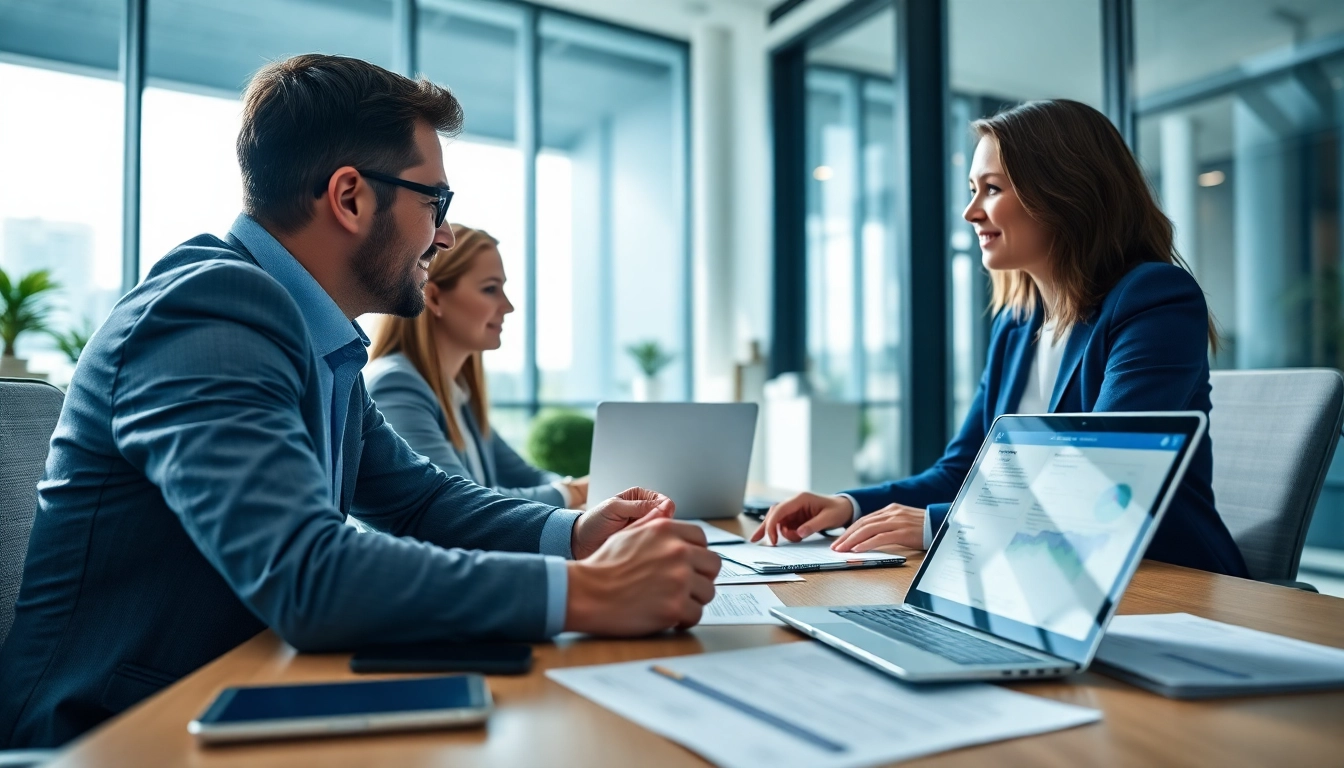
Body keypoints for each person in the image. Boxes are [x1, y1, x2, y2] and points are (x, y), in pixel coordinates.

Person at [0, 54, 719, 749]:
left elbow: (416, 503)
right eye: (434, 200)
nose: (442, 233)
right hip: (116, 733)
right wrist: (588, 593)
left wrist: (576, 533)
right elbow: (306, 573)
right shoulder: (209, 308)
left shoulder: (310, 332)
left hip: (239, 699)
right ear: (350, 197)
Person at [753, 99, 1249, 579]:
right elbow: (964, 469)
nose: (971, 212)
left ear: (1065, 192)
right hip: (1046, 573)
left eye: (991, 189)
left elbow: (1101, 482)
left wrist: (934, 525)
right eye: (972, 189)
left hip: (1161, 578)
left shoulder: (1153, 298)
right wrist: (847, 505)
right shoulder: (1017, 324)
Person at [365, 224, 587, 509]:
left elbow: (527, 476)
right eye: (490, 289)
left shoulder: (458, 392)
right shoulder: (396, 384)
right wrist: (574, 493)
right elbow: (461, 503)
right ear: (433, 298)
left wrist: (580, 489)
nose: (507, 306)